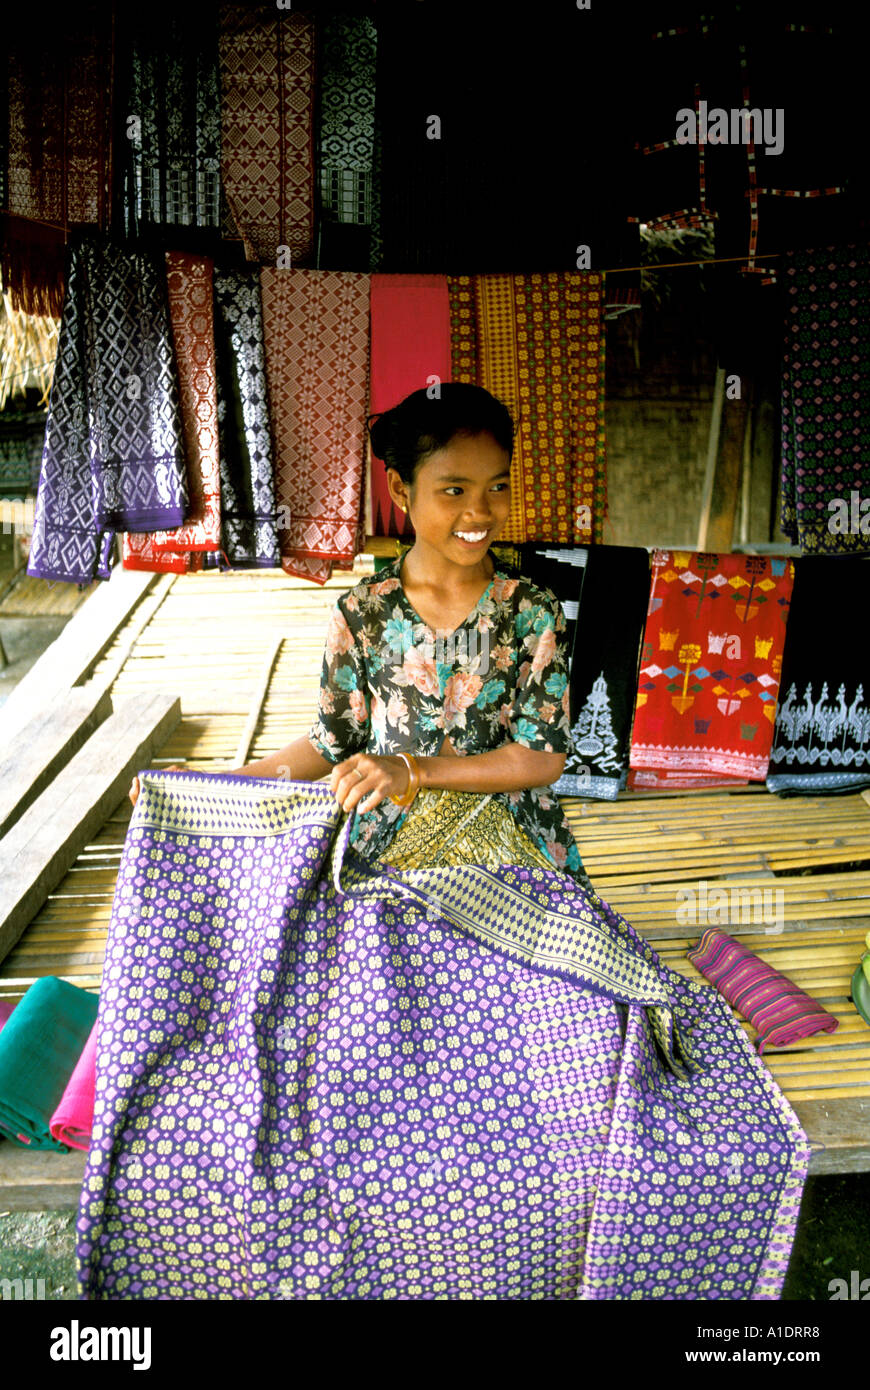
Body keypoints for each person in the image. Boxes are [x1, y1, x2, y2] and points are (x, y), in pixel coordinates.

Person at [130, 383, 592, 887]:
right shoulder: (362, 613)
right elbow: (331, 744)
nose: (479, 512)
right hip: (388, 848)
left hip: (511, 848)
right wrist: (215, 786)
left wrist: (411, 770)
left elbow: (541, 757)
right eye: (454, 490)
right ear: (400, 488)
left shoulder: (531, 611)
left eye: (496, 487)